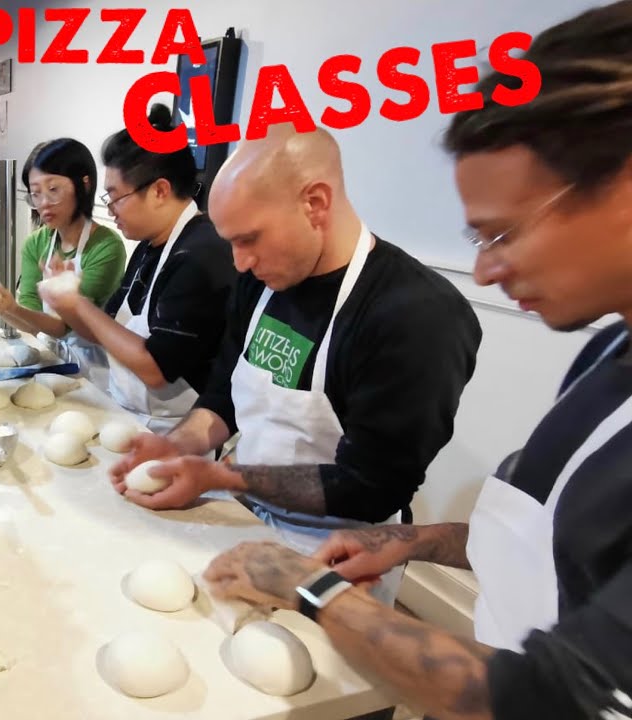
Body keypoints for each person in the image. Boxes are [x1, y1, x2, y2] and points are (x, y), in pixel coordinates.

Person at [206, 4, 632, 718]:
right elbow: (550, 547)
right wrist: (411, 541)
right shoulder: (607, 353)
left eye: (504, 234)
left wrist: (306, 587)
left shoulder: (415, 313)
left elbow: (555, 695)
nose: (485, 270)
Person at [111, 124, 483, 606]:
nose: (239, 263)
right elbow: (224, 393)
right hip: (247, 516)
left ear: (315, 203)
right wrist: (177, 445)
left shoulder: (416, 316)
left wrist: (223, 477)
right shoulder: (261, 280)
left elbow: (369, 487)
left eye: (249, 239)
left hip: (339, 553)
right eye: (231, 243)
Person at [37, 106, 237, 432]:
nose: (111, 210)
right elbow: (104, 333)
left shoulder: (201, 256)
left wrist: (78, 304)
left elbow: (156, 369)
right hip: (129, 415)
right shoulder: (148, 245)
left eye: (116, 197)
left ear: (159, 191)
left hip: (177, 431)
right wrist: (65, 303)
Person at [0, 138, 127, 339]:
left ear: (84, 185)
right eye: (35, 193)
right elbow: (32, 324)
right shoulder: (36, 243)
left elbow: (65, 327)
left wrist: (12, 309)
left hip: (93, 356)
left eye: (53, 190)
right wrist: (2, 308)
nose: (43, 203)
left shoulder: (107, 247)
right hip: (52, 352)